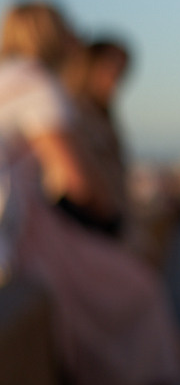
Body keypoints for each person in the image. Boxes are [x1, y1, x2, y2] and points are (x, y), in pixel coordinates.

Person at [0, 1, 180, 385]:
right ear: (56, 38)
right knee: (141, 297)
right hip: (30, 242)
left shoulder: (5, 77)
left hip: (19, 246)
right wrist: (109, 225)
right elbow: (78, 179)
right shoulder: (36, 84)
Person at [59, 36, 134, 237]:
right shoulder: (73, 114)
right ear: (90, 68)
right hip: (88, 231)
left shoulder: (103, 116)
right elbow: (74, 182)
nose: (116, 82)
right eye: (111, 71)